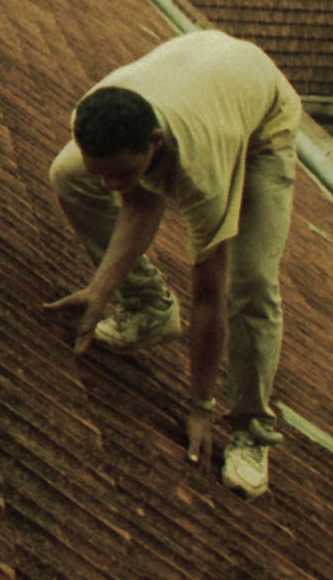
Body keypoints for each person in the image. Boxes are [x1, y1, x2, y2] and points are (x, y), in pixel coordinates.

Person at [43, 31, 300, 499]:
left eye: (120, 172)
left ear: (155, 144)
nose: (109, 186)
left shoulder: (202, 173)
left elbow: (208, 296)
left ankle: (250, 429)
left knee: (254, 284)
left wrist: (201, 404)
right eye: (103, 171)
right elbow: (136, 202)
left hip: (261, 124)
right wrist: (101, 289)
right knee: (66, 177)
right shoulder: (90, 113)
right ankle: (148, 308)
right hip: (201, 74)